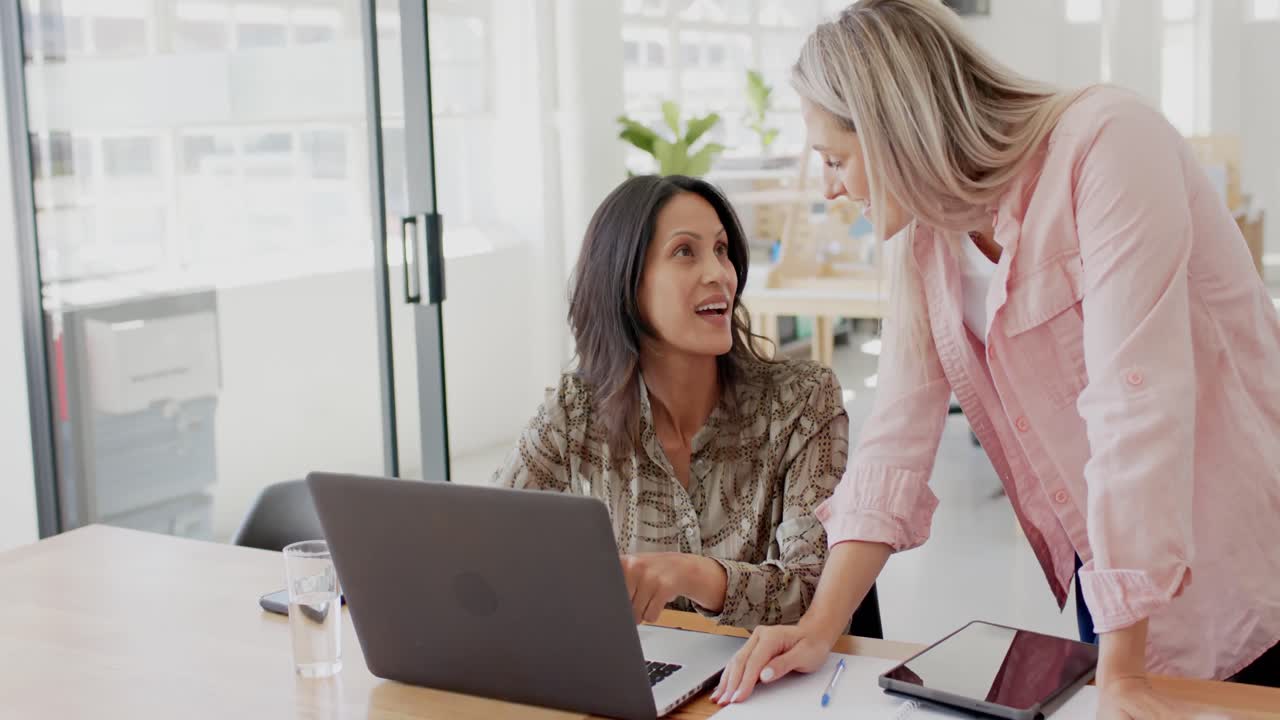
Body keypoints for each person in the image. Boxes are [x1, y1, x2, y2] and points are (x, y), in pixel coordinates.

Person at [713, 0, 1280, 713]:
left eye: (835, 160)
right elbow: (895, 437)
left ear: (893, 131)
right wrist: (819, 626)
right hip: (1107, 572)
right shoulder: (928, 239)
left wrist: (1125, 672)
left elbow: (1135, 404)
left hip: (1237, 552)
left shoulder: (1107, 143)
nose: (829, 188)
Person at [493, 174, 850, 630]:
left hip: (762, 685)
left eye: (722, 251)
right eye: (685, 252)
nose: (719, 273)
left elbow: (816, 592)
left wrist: (691, 574)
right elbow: (491, 542)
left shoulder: (801, 399)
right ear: (626, 282)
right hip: (630, 678)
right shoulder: (577, 408)